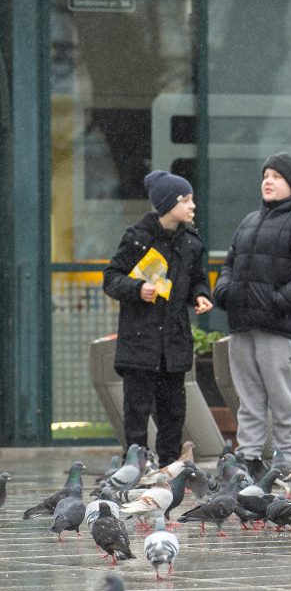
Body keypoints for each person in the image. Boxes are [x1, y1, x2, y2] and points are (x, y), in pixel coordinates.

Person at [212, 153, 291, 474]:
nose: (268, 180)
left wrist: (277, 301)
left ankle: (287, 462)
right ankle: (248, 458)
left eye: (276, 176)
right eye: (265, 175)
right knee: (248, 401)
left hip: (280, 329)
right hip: (242, 326)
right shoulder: (249, 221)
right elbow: (229, 264)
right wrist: (224, 292)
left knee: (282, 401)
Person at [103, 170, 213, 467]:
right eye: (186, 200)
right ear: (167, 204)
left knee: (173, 410)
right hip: (140, 342)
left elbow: (197, 280)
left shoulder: (191, 243)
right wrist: (138, 289)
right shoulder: (137, 239)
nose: (192, 206)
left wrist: (201, 296)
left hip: (174, 343)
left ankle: (169, 464)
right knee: (136, 408)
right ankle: (135, 465)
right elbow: (111, 279)